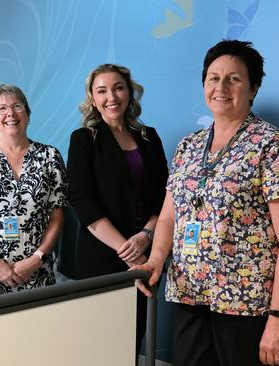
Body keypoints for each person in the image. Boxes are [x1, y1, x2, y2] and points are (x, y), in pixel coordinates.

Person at [133, 40, 279, 366]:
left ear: (253, 88)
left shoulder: (274, 147)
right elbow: (170, 218)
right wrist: (156, 257)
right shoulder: (188, 146)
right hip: (189, 296)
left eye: (234, 79)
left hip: (246, 305)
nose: (221, 87)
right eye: (213, 78)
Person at [63, 63, 168, 360]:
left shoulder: (149, 136)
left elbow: (166, 195)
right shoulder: (84, 139)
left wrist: (147, 236)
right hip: (101, 257)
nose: (112, 97)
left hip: (147, 252)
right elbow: (81, 199)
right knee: (99, 345)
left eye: (118, 88)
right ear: (93, 99)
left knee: (132, 340)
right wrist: (128, 250)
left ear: (130, 92)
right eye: (102, 91)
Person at [0, 84, 68, 301]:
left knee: (38, 333)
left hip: (37, 274)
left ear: (28, 114)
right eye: (2, 108)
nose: (10, 113)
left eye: (17, 106)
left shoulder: (50, 156)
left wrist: (37, 259)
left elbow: (57, 216)